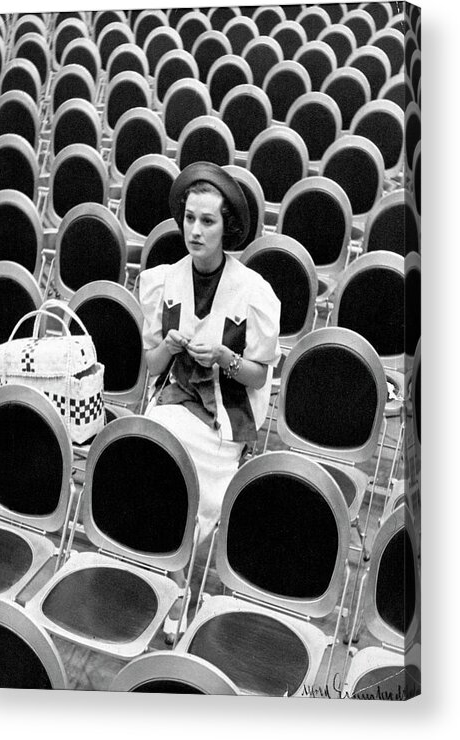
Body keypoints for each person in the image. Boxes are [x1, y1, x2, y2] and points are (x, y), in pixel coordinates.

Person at [139, 162, 281, 640]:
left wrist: (224, 357)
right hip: (175, 400)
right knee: (156, 442)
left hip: (227, 413)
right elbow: (153, 367)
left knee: (199, 495)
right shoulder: (163, 280)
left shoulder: (254, 292)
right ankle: (170, 574)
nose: (194, 231)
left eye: (207, 222)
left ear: (227, 228)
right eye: (189, 219)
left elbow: (259, 375)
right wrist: (170, 347)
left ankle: (186, 578)